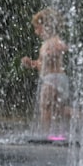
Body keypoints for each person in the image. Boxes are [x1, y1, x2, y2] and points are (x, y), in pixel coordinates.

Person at [21, 7, 69, 135]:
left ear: (46, 26)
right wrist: (31, 63)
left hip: (52, 79)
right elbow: (41, 65)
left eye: (37, 28)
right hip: (57, 79)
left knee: (44, 106)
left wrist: (56, 50)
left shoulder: (53, 40)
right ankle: (79, 118)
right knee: (58, 109)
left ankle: (46, 134)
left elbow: (64, 47)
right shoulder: (46, 43)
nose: (36, 32)